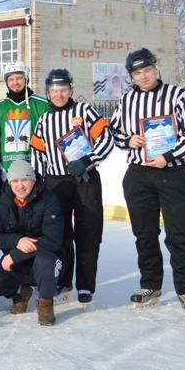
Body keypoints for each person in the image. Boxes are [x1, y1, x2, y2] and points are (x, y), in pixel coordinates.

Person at [108, 48, 185, 314]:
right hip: (138, 175)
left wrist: (169, 156)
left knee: (180, 235)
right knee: (145, 234)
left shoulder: (178, 95)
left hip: (173, 174)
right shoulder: (127, 100)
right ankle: (151, 284)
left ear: (156, 68)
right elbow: (113, 131)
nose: (143, 76)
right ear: (132, 75)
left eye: (147, 70)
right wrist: (128, 140)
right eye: (137, 73)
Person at [30, 68, 114, 304]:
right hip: (55, 184)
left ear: (71, 90)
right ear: (47, 92)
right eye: (54, 90)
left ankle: (85, 286)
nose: (59, 94)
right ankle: (63, 282)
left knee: (88, 233)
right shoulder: (44, 120)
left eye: (63, 89)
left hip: (85, 181)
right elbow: (37, 153)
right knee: (60, 235)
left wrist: (88, 161)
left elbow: (107, 138)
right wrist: (38, 181)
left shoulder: (84, 111)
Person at [0, 160, 64, 326]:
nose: (20, 186)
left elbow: (52, 241)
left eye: (24, 180)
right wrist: (16, 241)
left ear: (33, 180)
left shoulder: (49, 199)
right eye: (15, 181)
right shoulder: (3, 200)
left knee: (46, 261)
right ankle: (19, 292)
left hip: (45, 259)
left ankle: (45, 303)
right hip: (17, 264)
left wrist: (15, 255)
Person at [0, 60, 50, 178]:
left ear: (26, 79)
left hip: (35, 168)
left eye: (19, 78)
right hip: (5, 171)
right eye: (11, 79)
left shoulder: (43, 105)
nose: (15, 82)